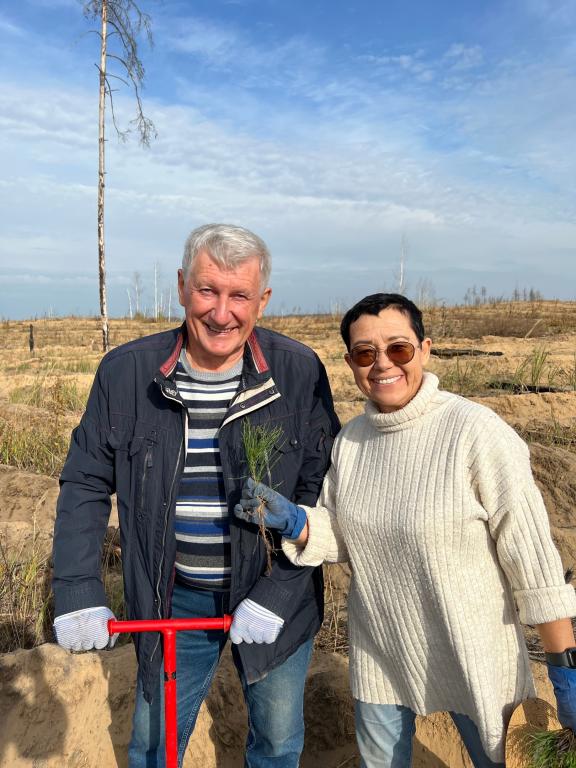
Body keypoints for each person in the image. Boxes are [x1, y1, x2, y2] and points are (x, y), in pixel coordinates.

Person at [236, 292, 576, 768]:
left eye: (398, 348)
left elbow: (534, 564)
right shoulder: (352, 441)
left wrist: (565, 670)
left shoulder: (476, 432)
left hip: (474, 655)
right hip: (381, 652)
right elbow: (342, 534)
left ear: (425, 349)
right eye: (365, 353)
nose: (382, 364)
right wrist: (298, 521)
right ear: (351, 363)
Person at [51, 223, 340, 768]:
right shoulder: (128, 373)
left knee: (277, 742)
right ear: (183, 286)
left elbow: (321, 494)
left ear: (263, 300)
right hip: (173, 596)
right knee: (154, 744)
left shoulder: (298, 372)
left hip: (275, 594)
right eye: (208, 290)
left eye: (240, 296)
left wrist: (278, 594)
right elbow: (86, 481)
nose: (222, 313)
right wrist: (77, 588)